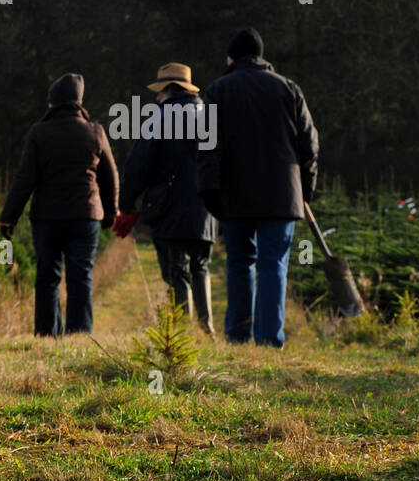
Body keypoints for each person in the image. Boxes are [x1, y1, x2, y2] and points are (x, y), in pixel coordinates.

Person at [197, 28, 318, 348]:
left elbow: (207, 147)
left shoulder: (217, 91)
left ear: (231, 57)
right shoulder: (290, 89)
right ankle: (269, 339)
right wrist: (306, 190)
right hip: (282, 195)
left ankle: (238, 336)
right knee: (273, 264)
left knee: (239, 262)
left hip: (235, 196)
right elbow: (309, 146)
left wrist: (210, 192)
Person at [0, 73, 118, 336]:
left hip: (47, 218)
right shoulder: (95, 131)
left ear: (52, 102)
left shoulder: (39, 132)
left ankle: (46, 334)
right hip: (85, 217)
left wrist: (9, 217)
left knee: (47, 277)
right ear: (79, 102)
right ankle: (79, 335)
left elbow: (24, 179)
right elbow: (110, 176)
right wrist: (111, 212)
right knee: (81, 277)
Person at [114, 63, 218, 334]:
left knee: (177, 271)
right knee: (201, 266)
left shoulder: (158, 119)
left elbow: (137, 167)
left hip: (170, 208)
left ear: (171, 90)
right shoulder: (210, 116)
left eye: (160, 91)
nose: (157, 97)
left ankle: (183, 335)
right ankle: (207, 330)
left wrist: (126, 205)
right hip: (207, 209)